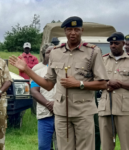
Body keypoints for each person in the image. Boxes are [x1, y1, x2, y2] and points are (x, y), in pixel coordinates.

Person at [9, 16, 108, 150]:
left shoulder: (92, 52)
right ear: (65, 31)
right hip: (62, 113)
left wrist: (79, 84)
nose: (73, 32)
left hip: (83, 112)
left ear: (82, 30)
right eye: (69, 29)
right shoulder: (55, 52)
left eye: (76, 29)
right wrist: (27, 69)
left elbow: (103, 84)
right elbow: (48, 84)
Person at [98, 32, 129, 150]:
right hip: (105, 107)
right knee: (106, 145)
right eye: (111, 43)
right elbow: (95, 81)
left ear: (123, 43)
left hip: (125, 109)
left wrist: (119, 83)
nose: (113, 45)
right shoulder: (102, 60)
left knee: (126, 145)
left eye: (116, 43)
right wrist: (107, 84)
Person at [31, 44, 58, 150]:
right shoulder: (38, 72)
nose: (51, 54)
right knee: (43, 146)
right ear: (44, 55)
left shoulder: (66, 71)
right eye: (48, 52)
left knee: (63, 146)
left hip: (62, 113)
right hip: (45, 114)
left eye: (54, 51)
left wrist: (57, 103)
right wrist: (48, 104)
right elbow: (34, 91)